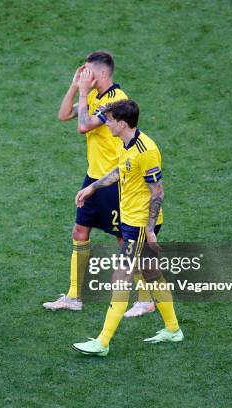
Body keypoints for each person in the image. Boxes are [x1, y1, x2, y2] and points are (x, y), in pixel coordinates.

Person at [71, 99, 183, 357]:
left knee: (120, 278)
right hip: (129, 220)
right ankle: (173, 329)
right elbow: (119, 172)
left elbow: (158, 192)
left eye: (109, 119)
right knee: (152, 274)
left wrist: (151, 229)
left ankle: (102, 341)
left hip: (141, 225)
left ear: (122, 123)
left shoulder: (147, 151)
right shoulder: (125, 143)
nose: (106, 123)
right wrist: (92, 187)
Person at [44, 51, 149, 312]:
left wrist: (82, 92)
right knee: (79, 232)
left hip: (114, 180)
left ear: (102, 74)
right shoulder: (93, 95)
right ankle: (73, 297)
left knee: (124, 240)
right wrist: (74, 85)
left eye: (88, 72)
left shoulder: (117, 102)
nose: (85, 76)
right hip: (93, 176)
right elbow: (64, 115)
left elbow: (84, 126)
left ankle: (146, 299)